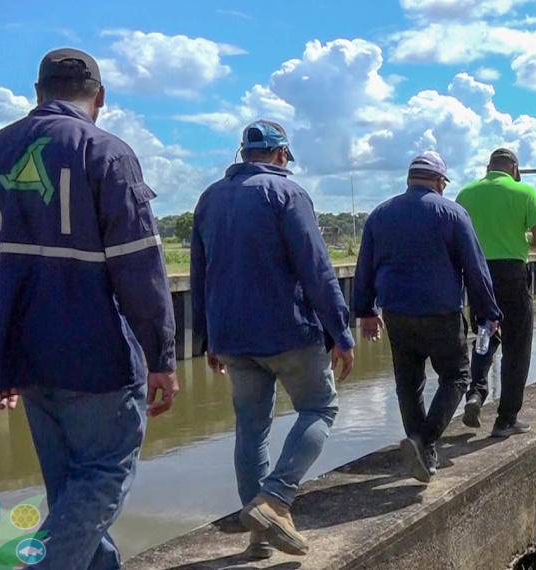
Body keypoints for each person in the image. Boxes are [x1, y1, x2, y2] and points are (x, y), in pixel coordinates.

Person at [0, 47, 178, 569]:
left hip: (29, 362)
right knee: (102, 478)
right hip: (95, 358)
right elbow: (138, 266)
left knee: (69, 496)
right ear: (99, 97)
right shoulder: (105, 153)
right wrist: (161, 356)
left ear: (37, 93)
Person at [190, 120, 355, 559]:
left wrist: (207, 336)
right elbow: (316, 269)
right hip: (288, 331)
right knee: (320, 407)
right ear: (282, 155)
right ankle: (275, 498)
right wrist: (340, 331)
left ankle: (259, 536)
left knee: (251, 428)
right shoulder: (288, 194)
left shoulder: (209, 198)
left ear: (243, 153)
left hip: (231, 337)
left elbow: (199, 273)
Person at [352, 151, 501, 483]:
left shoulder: (379, 215)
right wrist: (489, 313)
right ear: (439, 181)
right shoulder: (453, 214)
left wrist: (365, 310)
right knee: (457, 376)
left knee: (408, 382)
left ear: (409, 179)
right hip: (440, 313)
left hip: (396, 314)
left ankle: (422, 453)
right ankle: (425, 440)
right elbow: (476, 269)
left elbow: (365, 266)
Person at [454, 148, 536, 438]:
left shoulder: (465, 194)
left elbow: (457, 237)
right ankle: (506, 419)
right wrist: (516, 241)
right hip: (512, 275)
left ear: (488, 168)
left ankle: (476, 392)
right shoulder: (525, 192)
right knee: (517, 345)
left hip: (479, 276)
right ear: (515, 169)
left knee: (485, 334)